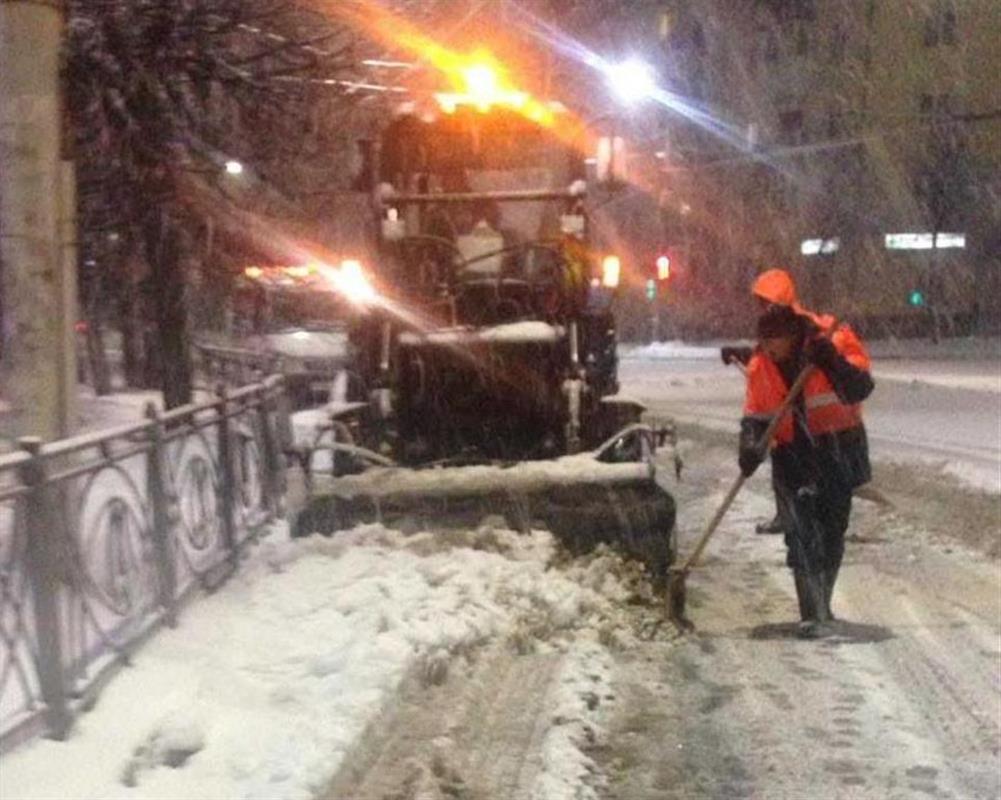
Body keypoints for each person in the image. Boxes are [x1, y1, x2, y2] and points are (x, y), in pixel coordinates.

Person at [739, 269, 874, 638]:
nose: (770, 350)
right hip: (793, 454)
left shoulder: (831, 338)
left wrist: (831, 360)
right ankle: (811, 612)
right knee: (800, 534)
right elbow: (755, 414)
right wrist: (750, 447)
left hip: (837, 448)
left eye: (775, 342)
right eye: (765, 342)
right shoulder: (762, 363)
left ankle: (821, 605)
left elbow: (860, 387)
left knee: (831, 530)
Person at [721, 344, 787, 535]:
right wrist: (740, 353)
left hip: (787, 414)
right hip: (763, 415)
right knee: (782, 471)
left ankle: (799, 518)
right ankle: (786, 517)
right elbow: (761, 358)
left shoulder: (793, 350)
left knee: (792, 470)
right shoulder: (765, 353)